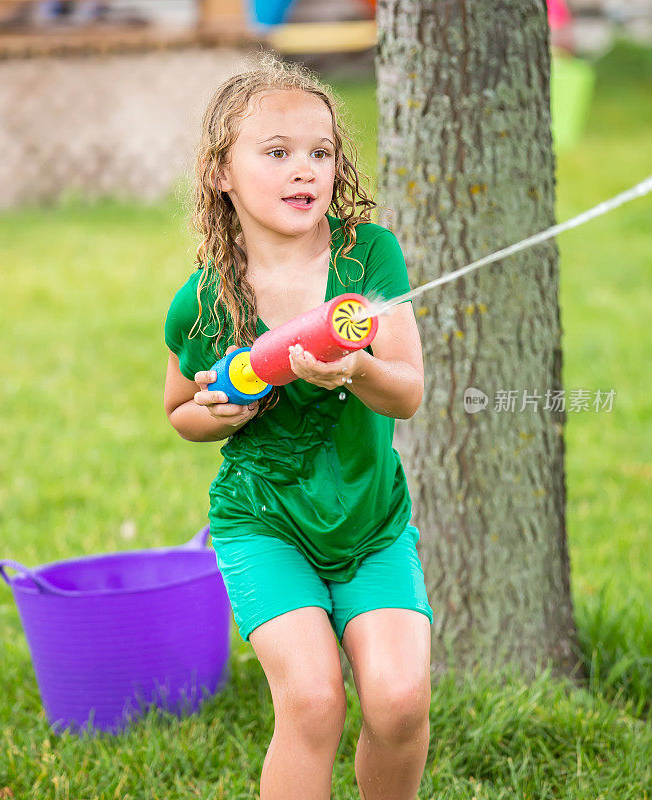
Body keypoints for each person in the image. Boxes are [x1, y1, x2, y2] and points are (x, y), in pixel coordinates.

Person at [163, 50, 433, 800]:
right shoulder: (205, 300)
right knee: (313, 703)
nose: (303, 169)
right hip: (264, 521)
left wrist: (361, 370)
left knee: (400, 702)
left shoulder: (368, 255)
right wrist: (222, 409)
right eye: (276, 153)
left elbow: (407, 393)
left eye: (320, 152)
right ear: (222, 172)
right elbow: (180, 410)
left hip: (369, 519)